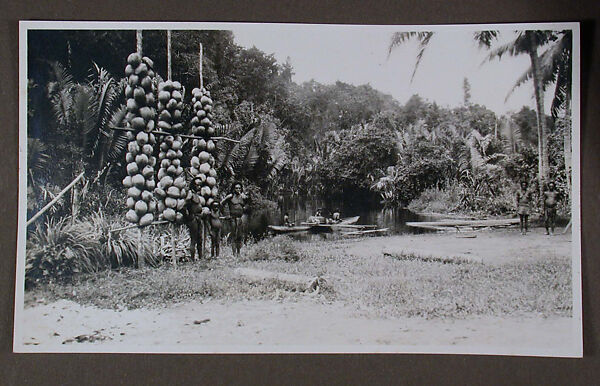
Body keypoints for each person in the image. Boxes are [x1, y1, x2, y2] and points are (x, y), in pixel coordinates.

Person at [221, 182, 249, 257]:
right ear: (233, 189)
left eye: (239, 188)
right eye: (236, 188)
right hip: (232, 218)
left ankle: (238, 253)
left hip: (240, 218)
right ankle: (234, 254)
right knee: (234, 235)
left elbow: (248, 205)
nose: (238, 189)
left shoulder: (243, 197)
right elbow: (221, 203)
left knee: (239, 235)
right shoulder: (230, 196)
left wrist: (245, 203)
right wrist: (226, 214)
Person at [184, 176, 205, 260]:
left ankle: (200, 257)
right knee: (194, 239)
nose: (199, 187)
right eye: (197, 185)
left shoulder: (196, 194)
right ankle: (192, 259)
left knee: (200, 238)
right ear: (193, 185)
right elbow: (185, 204)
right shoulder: (190, 193)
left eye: (200, 185)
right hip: (193, 219)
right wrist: (188, 214)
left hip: (198, 217)